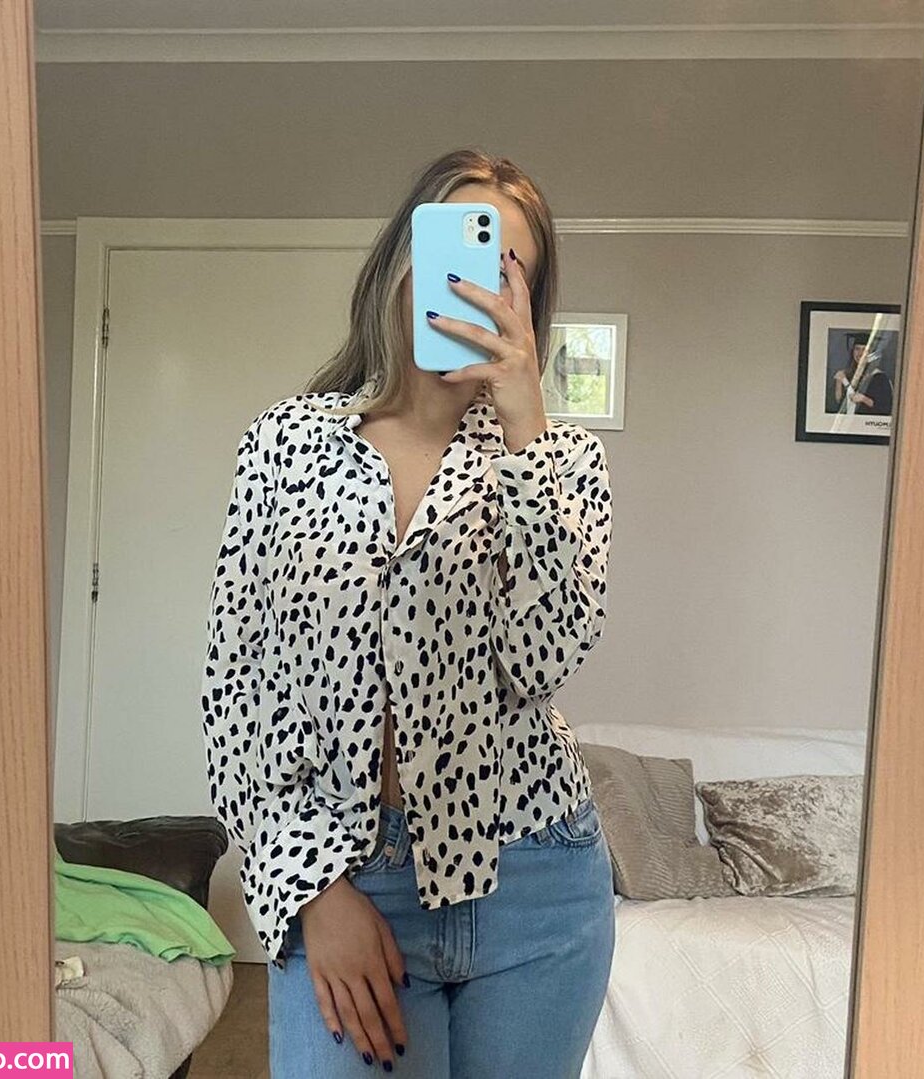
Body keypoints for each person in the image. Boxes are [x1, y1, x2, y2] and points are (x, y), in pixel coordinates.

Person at [201, 148, 615, 1079]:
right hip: (348, 867)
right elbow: (237, 690)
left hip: (538, 877)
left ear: (529, 305)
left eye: (504, 269)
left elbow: (544, 657)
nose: (472, 285)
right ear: (401, 264)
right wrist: (314, 890)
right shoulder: (287, 444)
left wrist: (527, 428)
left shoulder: (562, 463)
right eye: (453, 252)